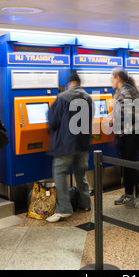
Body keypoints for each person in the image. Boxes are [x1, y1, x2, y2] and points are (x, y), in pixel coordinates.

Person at [46, 70, 93, 222]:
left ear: (69, 84)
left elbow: (53, 122)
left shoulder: (62, 98)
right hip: (83, 143)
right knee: (81, 174)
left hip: (65, 144)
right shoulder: (88, 98)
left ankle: (64, 209)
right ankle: (85, 203)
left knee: (59, 173)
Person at [110, 69, 139, 208]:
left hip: (133, 133)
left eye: (111, 78)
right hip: (128, 133)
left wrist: (112, 120)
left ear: (117, 78)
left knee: (130, 164)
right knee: (127, 164)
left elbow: (127, 112)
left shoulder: (126, 91)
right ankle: (129, 193)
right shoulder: (124, 90)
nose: (110, 81)